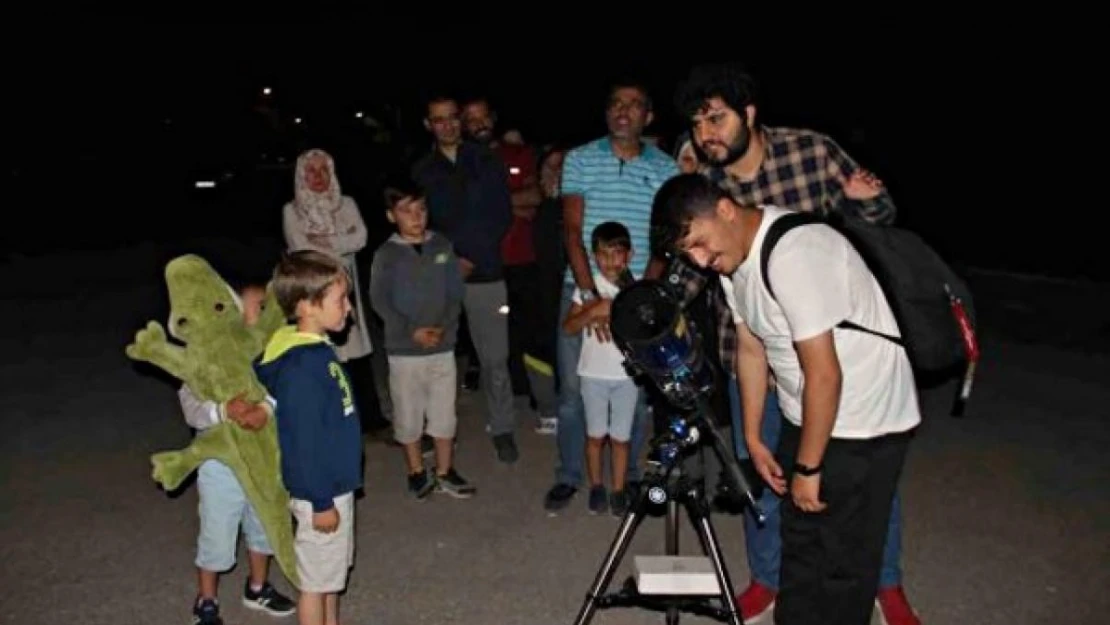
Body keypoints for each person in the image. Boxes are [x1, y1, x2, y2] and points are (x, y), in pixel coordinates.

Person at [671, 62, 919, 624]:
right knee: (764, 473)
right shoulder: (706, 186)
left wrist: (864, 202)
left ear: (749, 114)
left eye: (716, 117)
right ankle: (769, 579)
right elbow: (693, 269)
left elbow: (876, 225)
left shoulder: (810, 152)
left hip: (830, 351)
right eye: (696, 123)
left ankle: (885, 582)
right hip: (753, 350)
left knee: (856, 483)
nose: (705, 133)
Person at [544, 78, 680, 513]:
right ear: (607, 113)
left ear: (649, 116)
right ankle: (570, 475)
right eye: (616, 104)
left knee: (635, 389)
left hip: (637, 294)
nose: (624, 111)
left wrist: (632, 300)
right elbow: (571, 230)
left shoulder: (665, 169)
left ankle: (629, 477)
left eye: (635, 104)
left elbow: (664, 241)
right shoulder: (581, 160)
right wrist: (591, 297)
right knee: (571, 391)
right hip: (582, 287)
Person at [255, 251, 363, 625]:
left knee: (330, 577)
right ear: (307, 307)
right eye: (340, 300)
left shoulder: (315, 350)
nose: (348, 308)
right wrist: (320, 501)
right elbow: (303, 443)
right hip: (322, 491)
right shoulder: (302, 367)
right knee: (314, 585)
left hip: (334, 485)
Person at [412, 94, 519, 463]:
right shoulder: (422, 170)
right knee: (434, 358)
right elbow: (419, 224)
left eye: (452, 118)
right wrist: (448, 259)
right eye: (438, 120)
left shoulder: (485, 159)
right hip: (441, 277)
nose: (447, 125)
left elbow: (501, 213)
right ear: (428, 125)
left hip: (486, 273)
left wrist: (471, 257)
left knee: (495, 360)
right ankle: (434, 429)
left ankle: (503, 427)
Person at [181, 284, 296, 625]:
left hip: (263, 460)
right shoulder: (207, 355)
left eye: (267, 306)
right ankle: (206, 601)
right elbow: (191, 406)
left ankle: (258, 587)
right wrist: (222, 410)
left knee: (263, 526)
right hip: (222, 463)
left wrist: (266, 407)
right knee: (217, 533)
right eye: (257, 306)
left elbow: (287, 391)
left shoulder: (275, 351)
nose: (263, 313)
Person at [369, 176, 476, 500]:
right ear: (392, 216)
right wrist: (409, 331)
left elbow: (454, 292)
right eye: (406, 211)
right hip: (404, 351)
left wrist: (444, 327)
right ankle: (416, 471)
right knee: (408, 413)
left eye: (421, 209)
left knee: (444, 412)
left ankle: (445, 470)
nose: (416, 217)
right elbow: (380, 300)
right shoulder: (386, 254)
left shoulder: (441, 245)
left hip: (441, 347)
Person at [281, 148, 390, 438]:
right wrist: (340, 241)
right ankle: (331, 422)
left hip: (345, 290)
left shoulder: (346, 204)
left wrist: (324, 240)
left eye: (324, 170)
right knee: (323, 356)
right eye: (312, 171)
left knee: (356, 354)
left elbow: (361, 238)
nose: (318, 177)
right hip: (314, 293)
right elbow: (301, 248)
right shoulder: (293, 211)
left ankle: (371, 420)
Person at [562, 221, 638, 516]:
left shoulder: (635, 288)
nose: (610, 262)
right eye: (603, 254)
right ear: (594, 257)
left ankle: (618, 489)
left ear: (629, 255)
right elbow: (568, 327)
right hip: (593, 373)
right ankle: (596, 486)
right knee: (595, 435)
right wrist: (593, 310)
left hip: (626, 375)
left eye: (617, 254)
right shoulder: (588, 288)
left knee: (621, 438)